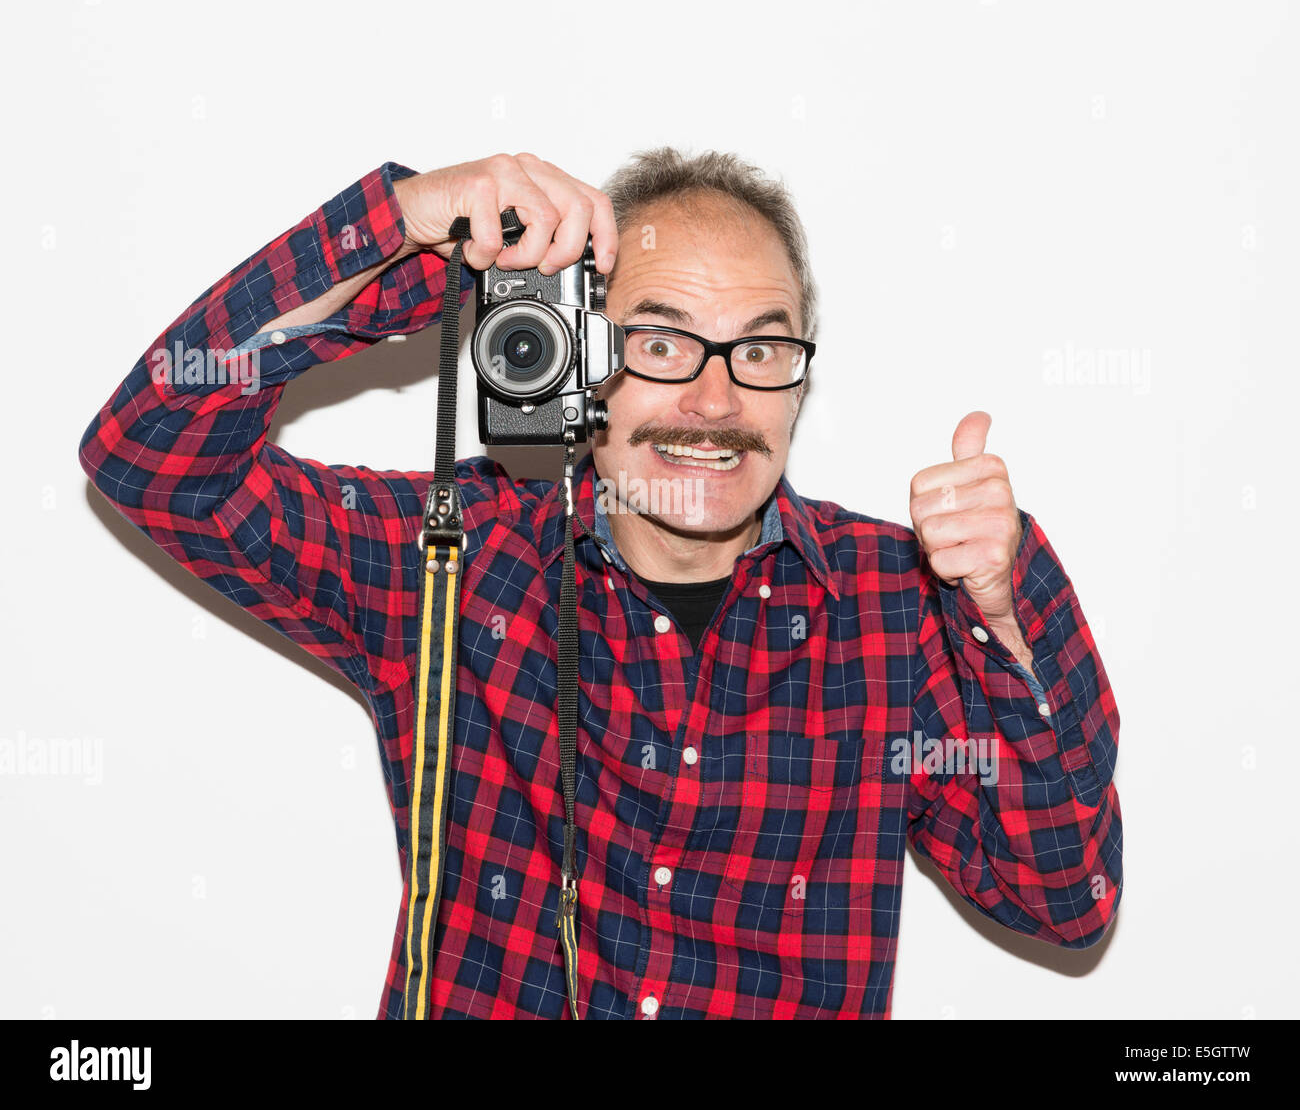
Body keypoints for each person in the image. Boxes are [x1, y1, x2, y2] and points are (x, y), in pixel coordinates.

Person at [78, 150, 1122, 1019]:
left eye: (759, 347)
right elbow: (150, 454)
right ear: (581, 352)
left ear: (799, 373)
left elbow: (1063, 897)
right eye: (661, 341)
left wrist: (1003, 612)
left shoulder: (895, 604)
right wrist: (396, 228)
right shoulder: (457, 562)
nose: (714, 399)